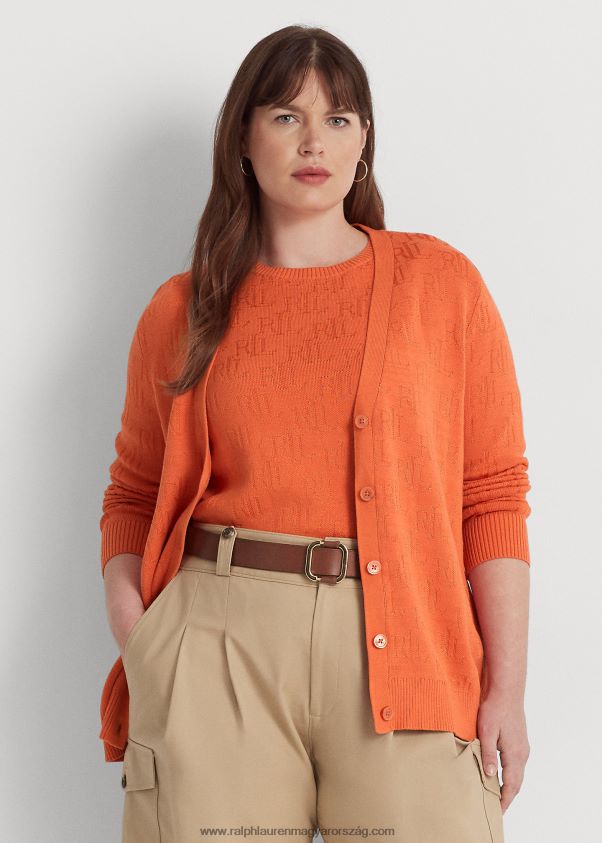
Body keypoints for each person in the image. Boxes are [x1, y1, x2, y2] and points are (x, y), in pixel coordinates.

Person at [100, 24, 531, 843]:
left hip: (412, 643)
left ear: (364, 141)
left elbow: (493, 495)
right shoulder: (181, 310)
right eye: (285, 116)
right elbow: (134, 491)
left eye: (338, 118)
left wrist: (506, 687)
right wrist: (145, 638)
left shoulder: (441, 287)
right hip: (218, 647)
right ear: (243, 138)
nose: (314, 141)